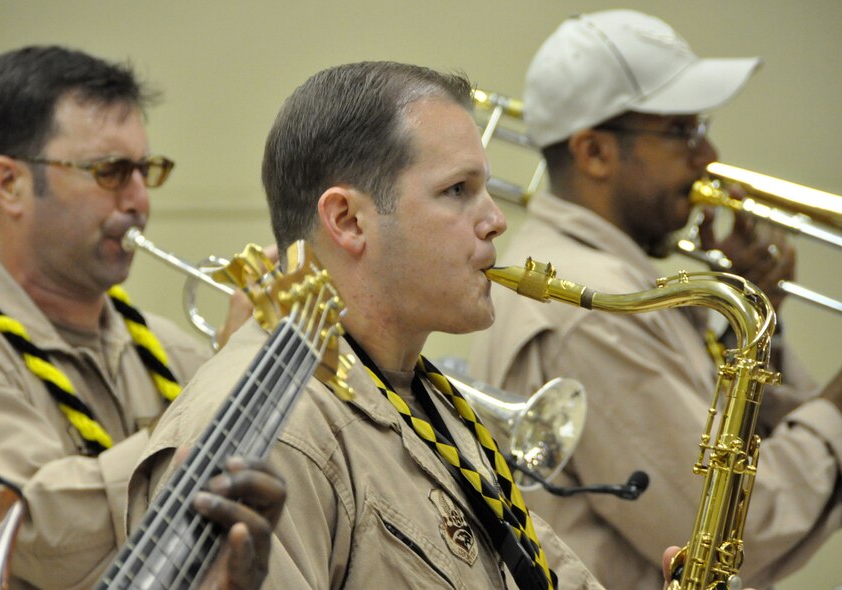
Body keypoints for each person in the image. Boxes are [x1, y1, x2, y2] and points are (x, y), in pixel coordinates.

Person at [126, 60, 713, 590]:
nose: (495, 222)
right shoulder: (270, 430)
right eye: (457, 191)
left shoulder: (423, 395)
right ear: (348, 219)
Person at [468, 10, 842, 590]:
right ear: (593, 153)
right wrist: (838, 408)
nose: (708, 154)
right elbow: (729, 529)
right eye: (683, 132)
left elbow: (733, 442)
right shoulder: (593, 299)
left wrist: (756, 314)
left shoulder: (615, 276)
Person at [0, 45, 282, 590]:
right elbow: (33, 532)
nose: (138, 201)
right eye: (110, 171)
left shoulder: (171, 347)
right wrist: (226, 386)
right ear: (9, 184)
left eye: (145, 170)